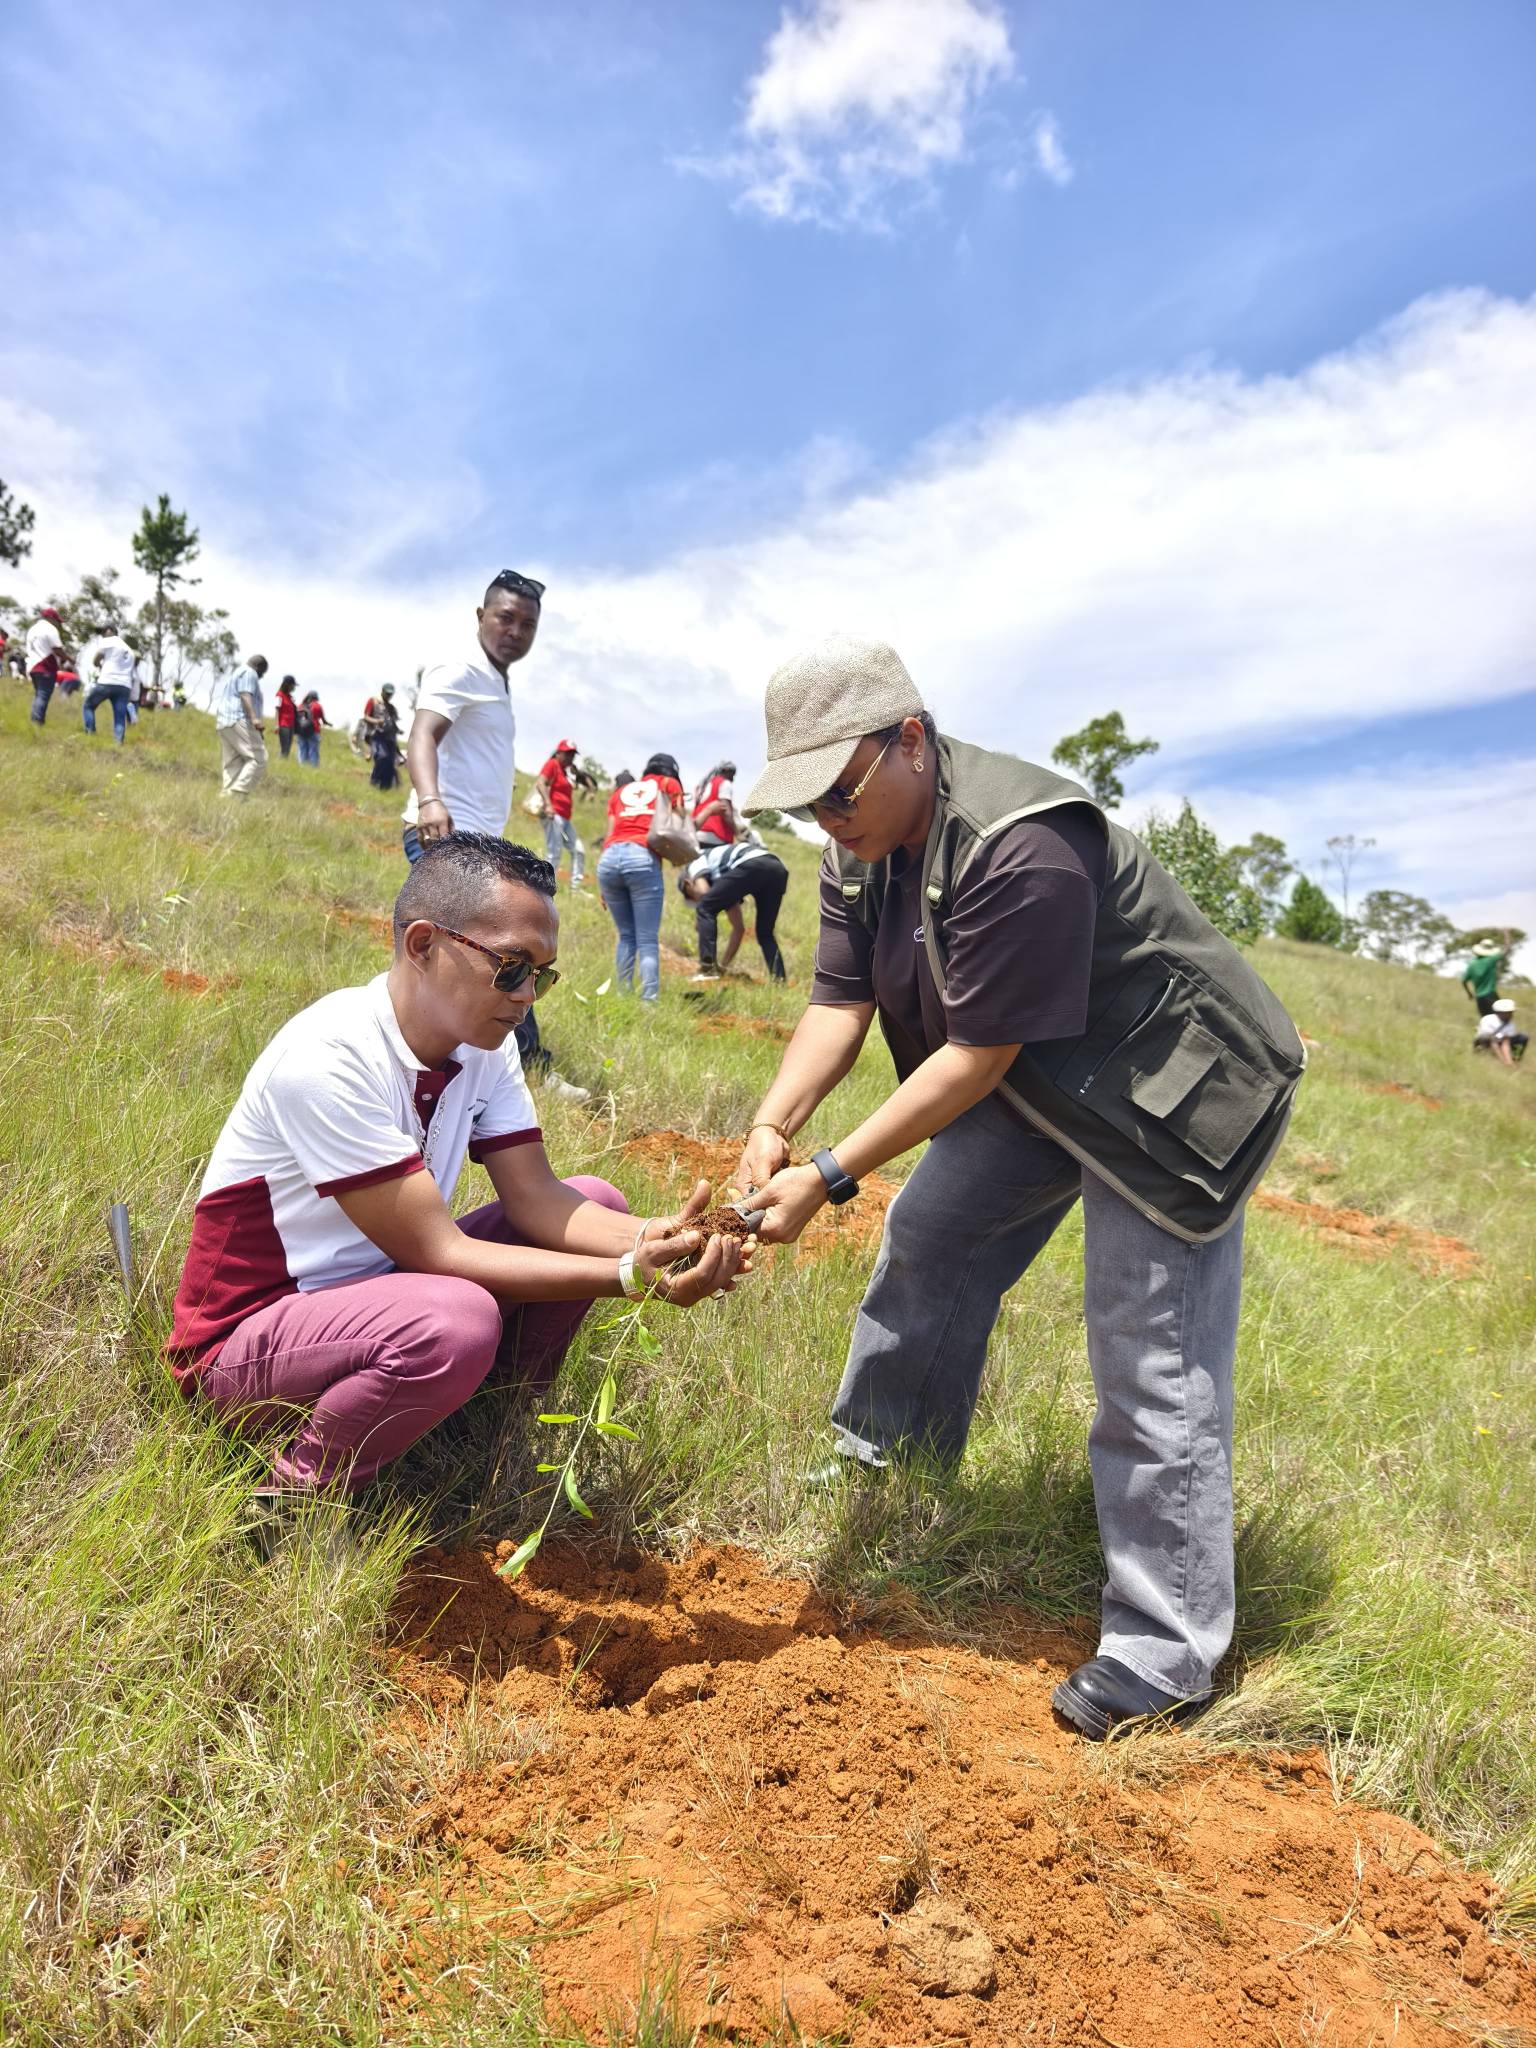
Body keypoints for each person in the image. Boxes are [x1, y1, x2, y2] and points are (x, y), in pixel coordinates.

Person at [735, 636, 1304, 1743]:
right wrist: (772, 1126)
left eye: (839, 791)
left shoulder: (1023, 842)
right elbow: (839, 1005)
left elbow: (975, 1055)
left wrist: (828, 1175)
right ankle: (884, 1456)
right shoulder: (858, 850)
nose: (826, 820)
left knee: (1150, 1350)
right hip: (1045, 1074)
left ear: (911, 739)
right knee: (933, 1232)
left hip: (1166, 1091)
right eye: (805, 802)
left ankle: (1165, 1651)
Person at [166, 833, 751, 1502]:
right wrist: (628, 1275)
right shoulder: (327, 1057)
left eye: (542, 974)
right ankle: (293, 1499)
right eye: (511, 966)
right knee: (458, 1320)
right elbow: (437, 1252)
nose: (528, 995)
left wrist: (663, 1238)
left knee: (601, 1202)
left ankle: (479, 1424)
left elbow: (537, 1198)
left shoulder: (485, 1047)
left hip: (381, 1301)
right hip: (246, 1346)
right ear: (423, 945)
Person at [403, 570, 584, 1104]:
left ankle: (477, 1077)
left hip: (478, 842)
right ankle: (523, 1070)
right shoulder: (460, 668)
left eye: (528, 624)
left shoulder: (495, 681)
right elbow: (422, 734)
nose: (515, 631)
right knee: (505, 959)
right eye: (505, 618)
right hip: (446, 836)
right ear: (481, 616)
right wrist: (430, 801)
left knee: (490, 962)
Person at [597, 752, 684, 1002]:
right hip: (642, 857)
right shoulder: (668, 784)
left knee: (626, 936)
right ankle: (648, 1002)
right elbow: (680, 820)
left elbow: (610, 834)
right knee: (646, 939)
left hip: (609, 861)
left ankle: (623, 996)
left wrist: (604, 887)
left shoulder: (620, 792)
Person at [680, 835, 790, 983]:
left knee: (705, 907)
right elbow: (738, 928)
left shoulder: (694, 861)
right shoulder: (726, 878)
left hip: (752, 864)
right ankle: (779, 980)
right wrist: (723, 965)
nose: (696, 900)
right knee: (765, 933)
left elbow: (704, 895)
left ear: (688, 883)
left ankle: (707, 969)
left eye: (691, 896)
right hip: (777, 869)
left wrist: (702, 914)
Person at [214, 654, 269, 797]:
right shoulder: (250, 673)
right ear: (258, 667)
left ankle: (227, 796)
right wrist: (254, 718)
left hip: (224, 722)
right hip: (239, 719)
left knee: (233, 761)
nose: (261, 676)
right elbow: (245, 694)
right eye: (262, 672)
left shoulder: (237, 673)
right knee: (259, 758)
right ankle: (239, 792)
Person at [539, 738, 586, 889]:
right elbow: (540, 783)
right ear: (559, 753)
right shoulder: (552, 764)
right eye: (567, 754)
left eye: (573, 755)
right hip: (554, 815)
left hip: (565, 819)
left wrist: (575, 774)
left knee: (578, 850)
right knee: (554, 852)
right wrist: (548, 804)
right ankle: (544, 888)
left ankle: (575, 888)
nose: (570, 758)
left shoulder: (566, 773)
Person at [83, 630, 139, 745]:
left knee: (88, 706)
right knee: (119, 716)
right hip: (124, 685)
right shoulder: (129, 650)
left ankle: (90, 733)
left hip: (107, 681)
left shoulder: (108, 641)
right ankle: (118, 742)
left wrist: (100, 666)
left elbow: (96, 660)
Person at [26, 606, 64, 725]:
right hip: (45, 667)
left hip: (32, 666)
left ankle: (35, 720)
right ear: (51, 618)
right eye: (57, 621)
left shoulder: (32, 629)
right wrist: (70, 659)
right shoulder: (50, 629)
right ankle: (37, 722)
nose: (58, 624)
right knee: (43, 695)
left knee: (39, 694)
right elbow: (57, 649)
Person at [692, 759, 738, 847]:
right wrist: (737, 833)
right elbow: (727, 814)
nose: (733, 779)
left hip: (696, 832)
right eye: (732, 774)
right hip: (715, 835)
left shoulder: (703, 786)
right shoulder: (724, 783)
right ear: (726, 771)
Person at [364, 684, 402, 791]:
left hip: (390, 738)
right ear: (382, 692)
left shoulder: (392, 708)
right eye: (387, 693)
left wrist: (398, 730)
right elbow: (366, 717)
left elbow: (393, 723)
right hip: (376, 735)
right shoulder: (373, 701)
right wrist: (377, 721)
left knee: (390, 763)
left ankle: (385, 788)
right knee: (381, 757)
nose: (388, 696)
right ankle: (374, 781)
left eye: (390, 694)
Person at [1474, 997, 1527, 1065]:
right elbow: (1491, 1040)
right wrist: (1502, 1061)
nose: (1511, 1014)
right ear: (1501, 1012)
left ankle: (1515, 1059)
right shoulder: (1487, 1019)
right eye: (1509, 1012)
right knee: (1487, 1037)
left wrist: (1509, 1062)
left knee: (1523, 1036)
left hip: (1499, 1042)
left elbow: (1506, 1042)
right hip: (1485, 1042)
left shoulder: (1510, 1024)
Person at [1460, 940, 1506, 1017]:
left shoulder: (1472, 965)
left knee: (1485, 1020)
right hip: (1490, 995)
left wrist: (1469, 993)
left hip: (1479, 998)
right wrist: (1507, 939)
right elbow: (1504, 952)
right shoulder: (1490, 960)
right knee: (1499, 1018)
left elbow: (1464, 981)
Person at [296, 690, 326, 766]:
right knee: (313, 750)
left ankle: (302, 766)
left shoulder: (300, 706)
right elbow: (322, 719)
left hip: (301, 730)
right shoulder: (317, 706)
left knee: (302, 749)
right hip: (314, 730)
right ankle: (314, 767)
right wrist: (326, 723)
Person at [275, 677, 298, 759]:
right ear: (288, 685)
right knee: (284, 748)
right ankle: (280, 762)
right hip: (283, 725)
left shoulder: (289, 697)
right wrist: (277, 724)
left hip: (291, 725)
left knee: (288, 747)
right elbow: (277, 709)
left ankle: (283, 761)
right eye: (293, 685)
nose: (294, 687)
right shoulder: (279, 695)